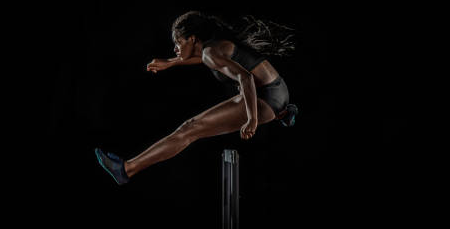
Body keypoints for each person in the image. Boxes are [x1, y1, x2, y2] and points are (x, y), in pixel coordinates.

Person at [95, 11, 298, 185]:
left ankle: (126, 170)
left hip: (265, 99)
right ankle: (283, 113)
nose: (175, 48)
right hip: (278, 92)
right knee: (197, 123)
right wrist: (170, 62)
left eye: (178, 42)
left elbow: (245, 78)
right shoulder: (215, 47)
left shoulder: (210, 53)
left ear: (192, 39)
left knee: (190, 129)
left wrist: (251, 119)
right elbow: (200, 58)